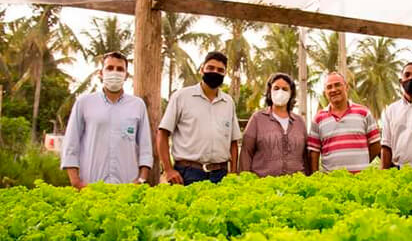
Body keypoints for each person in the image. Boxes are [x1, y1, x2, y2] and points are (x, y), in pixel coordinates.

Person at [61, 51, 153, 189]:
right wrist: (76, 182)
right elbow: (71, 145)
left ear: (126, 76)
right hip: (90, 188)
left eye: (120, 69)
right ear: (101, 73)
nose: (114, 72)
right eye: (110, 68)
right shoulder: (84, 103)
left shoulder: (137, 105)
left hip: (127, 188)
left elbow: (145, 147)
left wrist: (140, 180)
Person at [157, 51, 241, 185]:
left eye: (220, 70)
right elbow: (162, 133)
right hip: (188, 173)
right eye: (210, 68)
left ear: (225, 73)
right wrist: (168, 169)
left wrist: (233, 172)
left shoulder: (228, 102)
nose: (215, 72)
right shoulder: (181, 97)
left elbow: (233, 142)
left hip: (220, 174)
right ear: (202, 69)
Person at [307, 72, 381, 173]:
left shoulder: (364, 112)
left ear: (346, 87)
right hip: (330, 182)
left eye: (337, 85)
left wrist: (362, 163)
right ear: (325, 92)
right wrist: (315, 178)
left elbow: (376, 145)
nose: (333, 90)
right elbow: (314, 153)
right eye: (329, 87)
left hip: (360, 181)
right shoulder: (318, 119)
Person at [240, 73, 309, 177]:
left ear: (291, 93)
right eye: (276, 88)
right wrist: (244, 180)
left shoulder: (299, 122)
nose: (280, 92)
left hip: (296, 187)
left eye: (285, 89)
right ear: (269, 91)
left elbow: (305, 156)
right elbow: (246, 153)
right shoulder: (257, 119)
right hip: (263, 187)